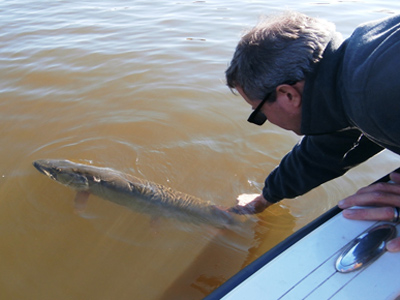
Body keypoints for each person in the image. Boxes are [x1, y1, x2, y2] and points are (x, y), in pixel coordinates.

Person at [225, 11, 400, 251]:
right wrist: (265, 198)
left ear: (288, 95)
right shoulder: (351, 75)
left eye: (259, 112)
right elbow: (327, 150)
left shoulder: (374, 96)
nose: (264, 119)